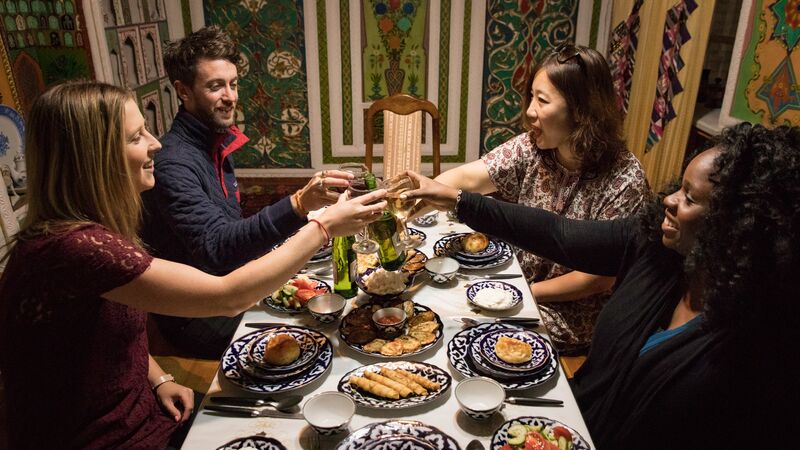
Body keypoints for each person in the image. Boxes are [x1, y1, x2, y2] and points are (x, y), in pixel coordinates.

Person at [0, 81, 386, 449]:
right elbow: (229, 296)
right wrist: (322, 226)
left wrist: (157, 378)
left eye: (147, 130)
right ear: (90, 159)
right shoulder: (76, 247)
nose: (154, 145)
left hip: (149, 413)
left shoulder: (85, 233)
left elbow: (97, 333)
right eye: (135, 138)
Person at [403, 122, 799, 449]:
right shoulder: (656, 247)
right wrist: (457, 199)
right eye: (679, 186)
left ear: (739, 228)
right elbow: (560, 234)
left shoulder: (755, 345)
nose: (670, 201)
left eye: (690, 198)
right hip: (568, 427)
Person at [140, 26, 351, 358]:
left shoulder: (213, 140)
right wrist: (298, 206)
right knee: (322, 337)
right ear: (183, 91)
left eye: (233, 84)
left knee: (333, 302)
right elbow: (218, 247)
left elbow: (231, 233)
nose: (230, 96)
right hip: (199, 319)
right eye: (215, 86)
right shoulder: (173, 164)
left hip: (230, 288)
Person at [434, 44, 650, 354]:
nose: (530, 111)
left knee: (472, 338)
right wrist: (415, 196)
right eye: (531, 97)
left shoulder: (624, 177)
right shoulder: (533, 147)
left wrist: (525, 292)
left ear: (581, 110)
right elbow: (468, 179)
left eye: (542, 100)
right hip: (519, 284)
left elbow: (597, 279)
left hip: (571, 313)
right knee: (447, 306)